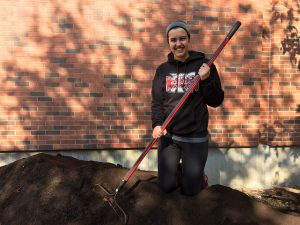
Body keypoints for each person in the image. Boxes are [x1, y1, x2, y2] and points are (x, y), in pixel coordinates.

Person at [151, 21, 224, 196]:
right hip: (170, 137)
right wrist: (156, 124)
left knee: (191, 190)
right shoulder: (162, 70)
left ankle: (197, 177)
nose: (178, 44)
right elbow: (157, 102)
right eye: (173, 40)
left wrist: (206, 79)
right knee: (167, 186)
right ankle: (177, 171)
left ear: (188, 40)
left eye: (182, 39)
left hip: (195, 137)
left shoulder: (205, 66)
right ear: (168, 43)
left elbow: (216, 100)